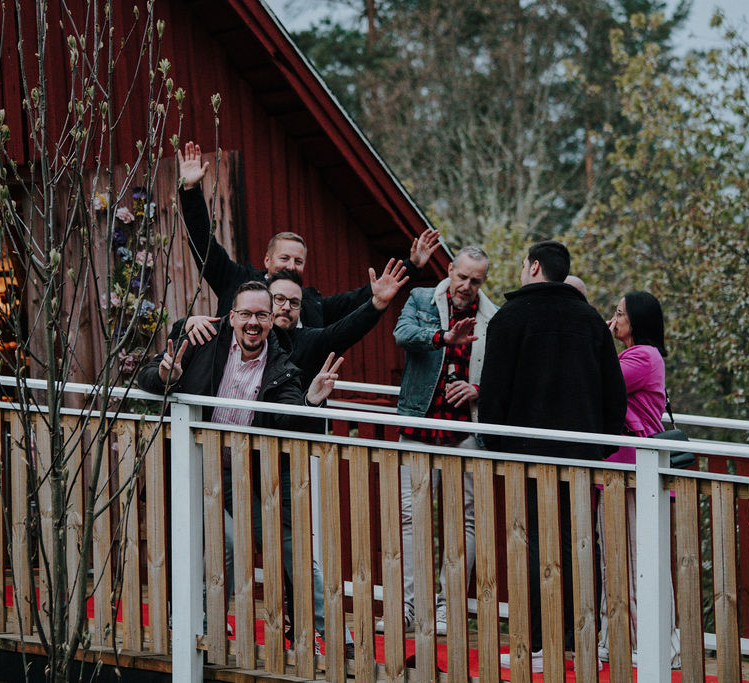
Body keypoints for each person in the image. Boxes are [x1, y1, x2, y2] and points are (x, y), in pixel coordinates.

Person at [137, 281, 352, 655]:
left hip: (237, 473)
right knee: (224, 540)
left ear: (272, 319)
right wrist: (166, 377)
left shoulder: (281, 364)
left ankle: (330, 632)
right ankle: (200, 623)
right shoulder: (203, 338)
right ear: (232, 316)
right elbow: (150, 373)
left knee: (285, 540)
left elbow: (287, 419)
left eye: (262, 315)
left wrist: (311, 401)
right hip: (190, 462)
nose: (254, 322)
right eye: (246, 314)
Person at [479, 240, 626, 673]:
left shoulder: (509, 318)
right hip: (581, 456)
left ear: (534, 267)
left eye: (524, 263)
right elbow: (614, 392)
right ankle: (580, 642)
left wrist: (497, 445)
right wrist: (601, 446)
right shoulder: (590, 321)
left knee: (529, 543)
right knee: (579, 542)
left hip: (525, 454)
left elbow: (493, 393)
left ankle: (537, 644)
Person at [176, 141, 441, 327]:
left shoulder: (312, 304)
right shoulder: (235, 281)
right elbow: (202, 243)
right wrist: (190, 191)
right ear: (267, 260)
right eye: (284, 258)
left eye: (298, 261)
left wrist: (413, 265)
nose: (291, 266)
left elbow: (360, 298)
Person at [379, 246, 497, 636]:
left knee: (464, 519)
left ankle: (448, 607)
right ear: (449, 270)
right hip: (419, 423)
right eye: (461, 276)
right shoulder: (421, 299)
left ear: (483, 281)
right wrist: (443, 337)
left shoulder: (492, 317)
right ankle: (407, 606)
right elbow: (402, 334)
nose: (466, 285)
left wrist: (479, 389)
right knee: (409, 516)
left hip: (466, 430)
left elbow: (503, 371)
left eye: (475, 280)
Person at [597, 291, 681, 667]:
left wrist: (597, 340)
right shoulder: (638, 355)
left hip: (632, 471)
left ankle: (646, 644)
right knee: (619, 556)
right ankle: (620, 637)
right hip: (624, 469)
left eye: (619, 314)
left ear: (637, 322)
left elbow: (601, 384)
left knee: (632, 558)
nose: (613, 320)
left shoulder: (642, 357)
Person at [181, 259, 410, 387]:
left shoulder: (305, 341)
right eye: (279, 299)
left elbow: (344, 331)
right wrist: (188, 322)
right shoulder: (234, 329)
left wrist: (377, 303)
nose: (286, 307)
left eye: (294, 302)